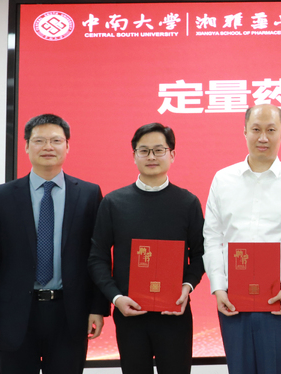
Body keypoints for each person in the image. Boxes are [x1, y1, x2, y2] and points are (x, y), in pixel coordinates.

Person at [0, 113, 109, 373]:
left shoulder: (89, 194)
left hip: (69, 315)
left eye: (56, 140)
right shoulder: (0, 197)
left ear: (67, 146)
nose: (48, 147)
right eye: (39, 141)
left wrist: (98, 308)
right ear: (26, 146)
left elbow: (98, 256)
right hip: (15, 316)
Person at [203, 104, 281, 374]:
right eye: (256, 129)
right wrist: (218, 287)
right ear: (244, 131)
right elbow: (212, 237)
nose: (263, 137)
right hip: (233, 298)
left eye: (271, 130)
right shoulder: (223, 179)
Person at [87, 123, 205, 374]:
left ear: (172, 154)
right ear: (134, 156)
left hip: (174, 314)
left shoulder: (188, 202)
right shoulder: (113, 203)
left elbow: (200, 254)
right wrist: (116, 298)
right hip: (130, 314)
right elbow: (97, 258)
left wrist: (187, 287)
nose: (151, 156)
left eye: (159, 150)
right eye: (144, 151)